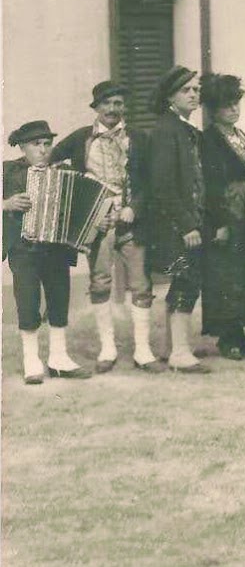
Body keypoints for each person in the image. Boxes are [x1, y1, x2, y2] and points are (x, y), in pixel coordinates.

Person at [50, 80, 159, 372]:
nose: (112, 109)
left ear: (125, 107)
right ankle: (107, 349)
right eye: (107, 103)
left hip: (132, 224)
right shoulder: (81, 138)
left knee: (141, 284)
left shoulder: (139, 138)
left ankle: (143, 351)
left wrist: (135, 207)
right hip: (97, 227)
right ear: (96, 107)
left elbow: (151, 180)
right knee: (100, 282)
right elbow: (49, 161)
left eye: (118, 103)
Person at [3, 121, 87, 383]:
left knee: (59, 298)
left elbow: (80, 205)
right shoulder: (8, 171)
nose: (42, 149)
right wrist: (6, 203)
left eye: (47, 144)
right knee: (27, 300)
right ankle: (32, 360)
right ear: (22, 147)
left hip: (56, 248)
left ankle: (59, 358)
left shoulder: (64, 171)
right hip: (23, 249)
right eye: (35, 144)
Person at [146, 65, 208, 373]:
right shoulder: (165, 130)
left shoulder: (183, 129)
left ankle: (173, 347)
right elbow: (162, 185)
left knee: (183, 281)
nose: (194, 94)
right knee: (186, 281)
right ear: (170, 97)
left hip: (185, 222)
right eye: (186, 90)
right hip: (175, 225)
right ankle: (180, 353)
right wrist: (187, 225)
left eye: (196, 89)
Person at [198, 73, 245, 360]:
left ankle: (240, 332)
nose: (234, 109)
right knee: (224, 273)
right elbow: (209, 186)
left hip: (244, 211)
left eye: (236, 103)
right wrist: (219, 223)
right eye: (227, 105)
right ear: (214, 110)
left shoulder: (241, 136)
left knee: (243, 270)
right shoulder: (208, 140)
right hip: (224, 210)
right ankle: (227, 336)